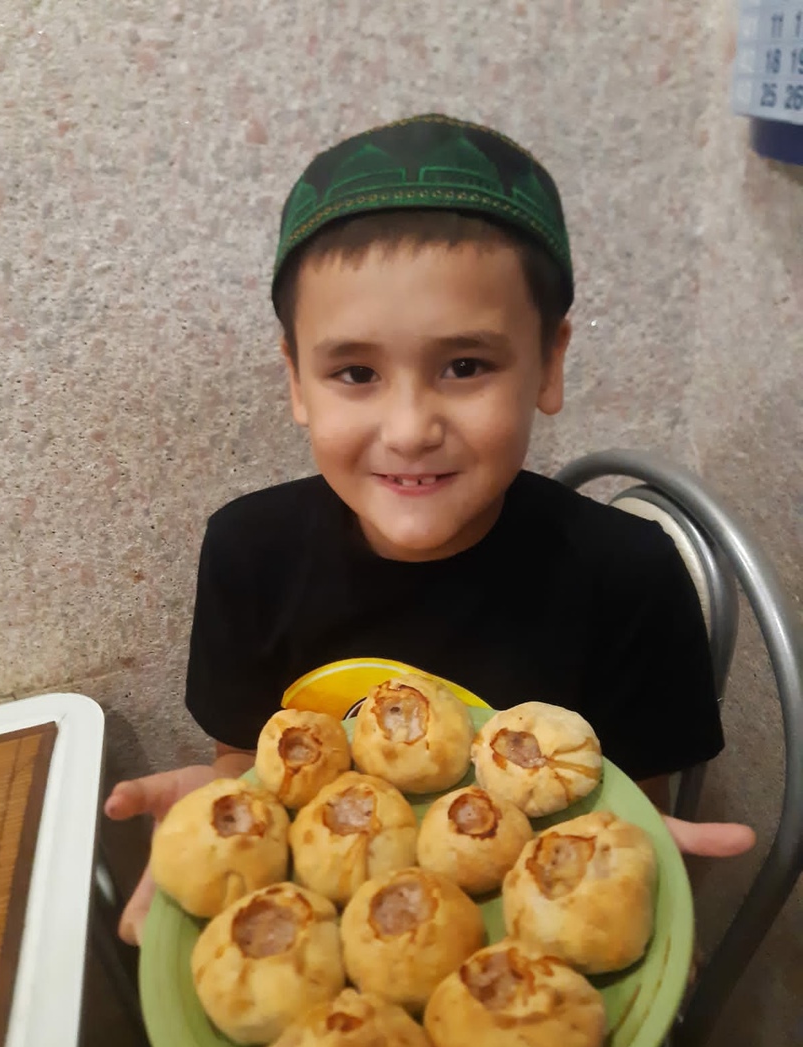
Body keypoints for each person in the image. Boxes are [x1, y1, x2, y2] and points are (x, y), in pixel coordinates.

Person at [105, 114, 754, 945]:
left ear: (550, 363)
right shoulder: (248, 552)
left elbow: (630, 811)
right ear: (296, 381)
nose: (410, 428)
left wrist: (636, 879)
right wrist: (221, 807)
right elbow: (246, 761)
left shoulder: (630, 574)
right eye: (356, 372)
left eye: (465, 366)